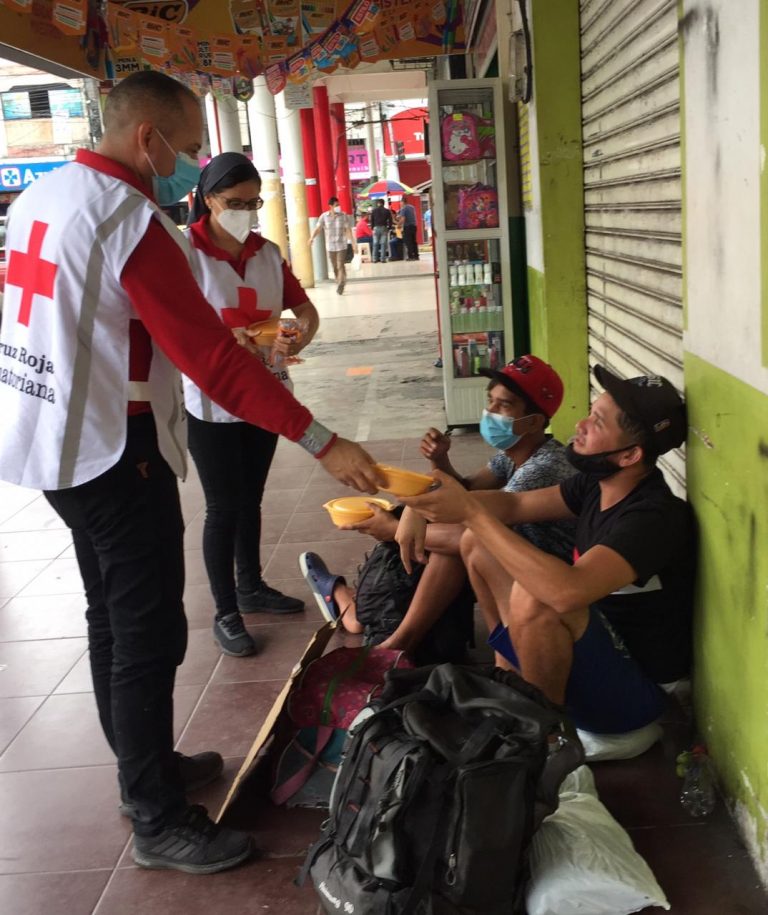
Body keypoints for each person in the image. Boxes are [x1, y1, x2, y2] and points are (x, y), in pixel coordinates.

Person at [0, 71, 381, 875]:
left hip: (48, 440)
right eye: (189, 145)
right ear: (149, 138)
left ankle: (145, 768)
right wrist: (322, 439)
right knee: (148, 630)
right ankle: (156, 815)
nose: (191, 163)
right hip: (111, 446)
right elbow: (210, 360)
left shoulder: (43, 200)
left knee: (109, 612)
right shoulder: (128, 219)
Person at [400, 365, 694, 737]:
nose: (581, 425)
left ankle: (544, 742)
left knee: (537, 597)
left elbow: (566, 593)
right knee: (478, 544)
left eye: (598, 423)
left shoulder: (652, 516)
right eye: (590, 412)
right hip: (593, 654)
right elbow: (514, 506)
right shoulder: (596, 482)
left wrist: (470, 511)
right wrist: (421, 502)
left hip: (636, 697)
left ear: (630, 455)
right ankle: (507, 678)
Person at [301, 356, 577, 658]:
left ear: (535, 422)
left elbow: (472, 529)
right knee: (437, 533)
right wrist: (439, 460)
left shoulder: (542, 468)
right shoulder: (512, 454)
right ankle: (359, 612)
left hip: (538, 574)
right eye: (490, 401)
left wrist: (392, 530)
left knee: (452, 544)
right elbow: (467, 490)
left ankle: (390, 638)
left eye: (504, 405)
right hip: (505, 558)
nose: (490, 412)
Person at [183, 152, 317, 659]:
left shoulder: (266, 253)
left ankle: (251, 585)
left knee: (251, 499)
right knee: (223, 507)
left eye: (253, 202)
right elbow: (175, 323)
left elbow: (303, 309)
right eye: (234, 202)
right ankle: (226, 612)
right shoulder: (186, 252)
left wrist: (295, 339)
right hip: (211, 400)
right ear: (208, 199)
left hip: (264, 393)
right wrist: (226, 337)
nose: (245, 211)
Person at [309, 195, 356, 294]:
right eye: (336, 205)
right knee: (335, 266)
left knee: (340, 265)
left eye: (338, 204)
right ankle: (339, 280)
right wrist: (312, 237)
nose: (338, 206)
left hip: (341, 245)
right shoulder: (324, 217)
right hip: (330, 246)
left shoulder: (343, 216)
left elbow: (348, 230)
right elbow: (318, 228)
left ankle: (341, 283)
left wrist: (353, 243)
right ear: (330, 206)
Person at [369, 198, 393, 263]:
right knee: (383, 244)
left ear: (378, 203)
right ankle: (383, 259)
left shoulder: (374, 211)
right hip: (384, 228)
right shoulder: (387, 211)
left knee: (375, 243)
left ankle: (375, 259)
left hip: (376, 228)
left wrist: (372, 228)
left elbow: (371, 220)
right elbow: (390, 220)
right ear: (383, 203)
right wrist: (389, 228)